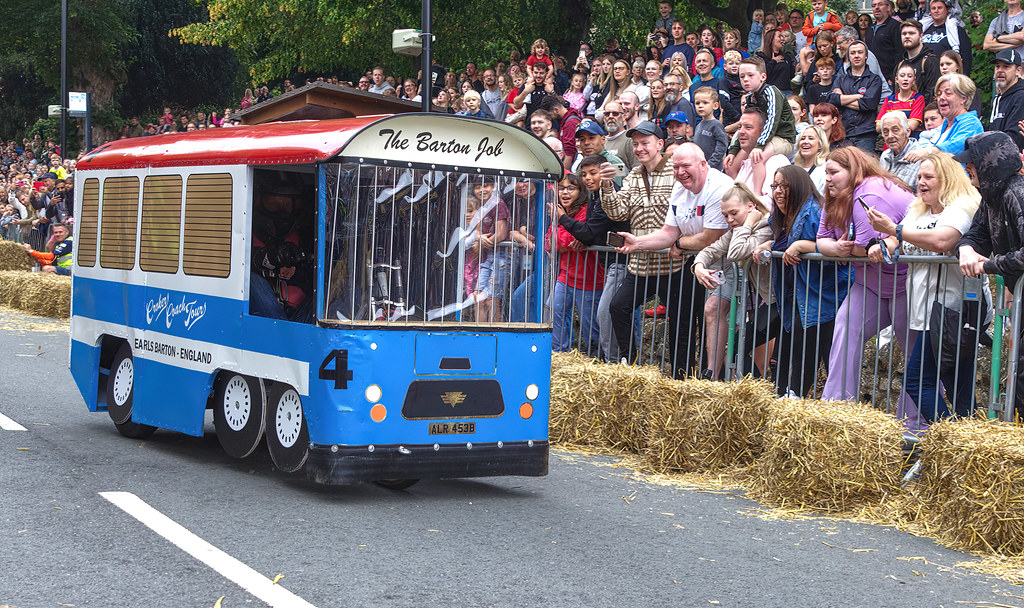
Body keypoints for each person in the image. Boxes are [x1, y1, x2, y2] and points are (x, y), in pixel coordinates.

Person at [867, 151, 984, 424]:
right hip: (927, 310)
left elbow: (943, 241)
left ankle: (949, 440)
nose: (921, 182)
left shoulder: (963, 207)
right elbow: (902, 238)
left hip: (953, 309)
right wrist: (885, 243)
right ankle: (969, 444)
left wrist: (895, 230)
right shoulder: (917, 209)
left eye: (928, 176)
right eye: (919, 176)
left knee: (918, 381)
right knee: (959, 387)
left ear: (947, 180)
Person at [602, 134, 728, 377]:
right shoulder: (675, 188)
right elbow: (668, 232)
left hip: (717, 264)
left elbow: (710, 237)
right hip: (686, 263)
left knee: (702, 319)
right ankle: (681, 375)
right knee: (621, 307)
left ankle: (708, 378)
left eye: (685, 166)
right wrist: (637, 242)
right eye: (677, 167)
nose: (680, 172)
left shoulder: (718, 186)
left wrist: (680, 244)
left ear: (703, 165)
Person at [814, 147, 918, 423]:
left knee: (914, 351)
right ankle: (835, 409)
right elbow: (821, 238)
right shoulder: (835, 197)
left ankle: (917, 421)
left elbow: (868, 246)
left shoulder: (869, 193)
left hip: (906, 283)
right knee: (845, 326)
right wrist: (835, 248)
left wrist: (841, 250)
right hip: (870, 282)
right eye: (826, 172)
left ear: (854, 171)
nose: (828, 178)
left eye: (834, 172)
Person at [754, 165, 849, 397]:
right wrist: (770, 245)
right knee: (804, 349)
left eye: (784, 185)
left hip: (822, 295)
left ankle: (831, 401)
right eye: (774, 186)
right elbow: (784, 244)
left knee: (822, 354)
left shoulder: (812, 212)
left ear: (797, 186)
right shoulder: (780, 217)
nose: (778, 191)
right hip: (797, 296)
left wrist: (803, 246)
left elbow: (836, 249)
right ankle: (794, 395)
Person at [958, 131, 1024, 420]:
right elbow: (976, 233)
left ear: (989, 163)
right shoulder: (991, 197)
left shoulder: (1017, 193)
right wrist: (967, 250)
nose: (967, 168)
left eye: (971, 162)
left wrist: (989, 266)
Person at [692, 183, 774, 379]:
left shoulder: (763, 225)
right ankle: (731, 380)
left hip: (775, 300)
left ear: (751, 207)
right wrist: (698, 267)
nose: (729, 219)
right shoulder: (737, 230)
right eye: (725, 215)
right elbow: (711, 250)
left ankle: (759, 386)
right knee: (740, 344)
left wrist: (745, 225)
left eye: (733, 213)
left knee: (745, 344)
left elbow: (735, 252)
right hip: (763, 298)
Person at [547, 173, 604, 354]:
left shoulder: (586, 211)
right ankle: (559, 353)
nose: (565, 193)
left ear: (580, 192)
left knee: (589, 325)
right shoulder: (559, 212)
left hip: (590, 278)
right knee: (556, 314)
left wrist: (564, 235)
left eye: (571, 188)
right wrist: (561, 239)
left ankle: (593, 358)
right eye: (562, 188)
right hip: (566, 275)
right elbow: (549, 241)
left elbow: (568, 239)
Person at [249, 182, 315, 323]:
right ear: (260, 202)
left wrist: (305, 259)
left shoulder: (305, 239)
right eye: (273, 204)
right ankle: (280, 335)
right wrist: (268, 258)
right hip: (267, 319)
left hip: (300, 318)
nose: (280, 210)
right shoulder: (246, 236)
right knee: (252, 281)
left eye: (285, 205)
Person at [905, 73, 983, 159]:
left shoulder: (971, 122)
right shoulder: (945, 125)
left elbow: (954, 147)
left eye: (948, 93)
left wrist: (927, 152)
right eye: (939, 94)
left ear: (963, 98)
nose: (941, 97)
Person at [827, 40, 882, 155]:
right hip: (843, 133)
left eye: (860, 52)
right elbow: (831, 99)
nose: (856, 55)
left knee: (865, 170)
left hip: (865, 134)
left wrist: (842, 98)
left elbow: (868, 104)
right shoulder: (840, 78)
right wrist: (856, 97)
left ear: (866, 56)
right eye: (852, 53)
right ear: (848, 56)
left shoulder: (874, 79)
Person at [894, 20, 941, 105]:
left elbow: (932, 94)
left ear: (921, 36)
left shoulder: (930, 62)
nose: (907, 36)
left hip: (924, 112)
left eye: (911, 33)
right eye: (904, 34)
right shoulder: (900, 65)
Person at [923, 0, 973, 75]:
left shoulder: (956, 31)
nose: (936, 11)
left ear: (947, 10)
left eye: (939, 8)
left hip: (946, 75)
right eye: (933, 8)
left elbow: (966, 57)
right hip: (925, 74)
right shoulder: (924, 29)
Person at [879, 111, 925, 188]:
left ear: (907, 132)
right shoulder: (885, 155)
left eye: (895, 130)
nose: (890, 136)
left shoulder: (920, 157)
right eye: (886, 132)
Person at [877, 64, 925, 137]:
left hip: (911, 141)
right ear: (896, 79)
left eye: (909, 76)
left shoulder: (918, 98)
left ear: (914, 80)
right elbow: (878, 126)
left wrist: (889, 127)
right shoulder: (889, 100)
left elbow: (913, 125)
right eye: (902, 76)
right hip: (890, 142)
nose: (905, 79)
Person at [989, 49, 1024, 148]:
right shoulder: (997, 99)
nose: (1000, 70)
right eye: (997, 66)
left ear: (1018, 71)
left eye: (1006, 67)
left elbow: (1014, 139)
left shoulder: (1021, 97)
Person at [538, 96, 582, 171]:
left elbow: (570, 154)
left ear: (556, 110)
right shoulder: (565, 122)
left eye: (550, 115)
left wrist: (562, 176)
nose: (551, 118)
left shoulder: (571, 123)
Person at [866, 0, 903, 83]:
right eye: (874, 5)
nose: (876, 8)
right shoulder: (870, 29)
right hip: (871, 78)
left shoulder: (896, 27)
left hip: (888, 79)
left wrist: (893, 76)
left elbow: (899, 53)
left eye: (880, 4)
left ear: (888, 7)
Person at [691, 89, 728, 171]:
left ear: (715, 105)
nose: (700, 106)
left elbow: (722, 146)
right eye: (697, 103)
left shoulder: (716, 125)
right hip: (700, 168)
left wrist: (711, 164)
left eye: (705, 103)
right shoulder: (699, 125)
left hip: (713, 169)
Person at [602, 100, 639, 169]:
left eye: (615, 114)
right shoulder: (601, 142)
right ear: (604, 118)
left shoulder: (630, 140)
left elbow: (638, 169)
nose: (610, 117)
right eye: (607, 114)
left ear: (623, 117)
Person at [793, 125, 830, 193]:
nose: (805, 142)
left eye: (811, 138)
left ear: (820, 144)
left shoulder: (825, 170)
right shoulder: (794, 169)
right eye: (802, 138)